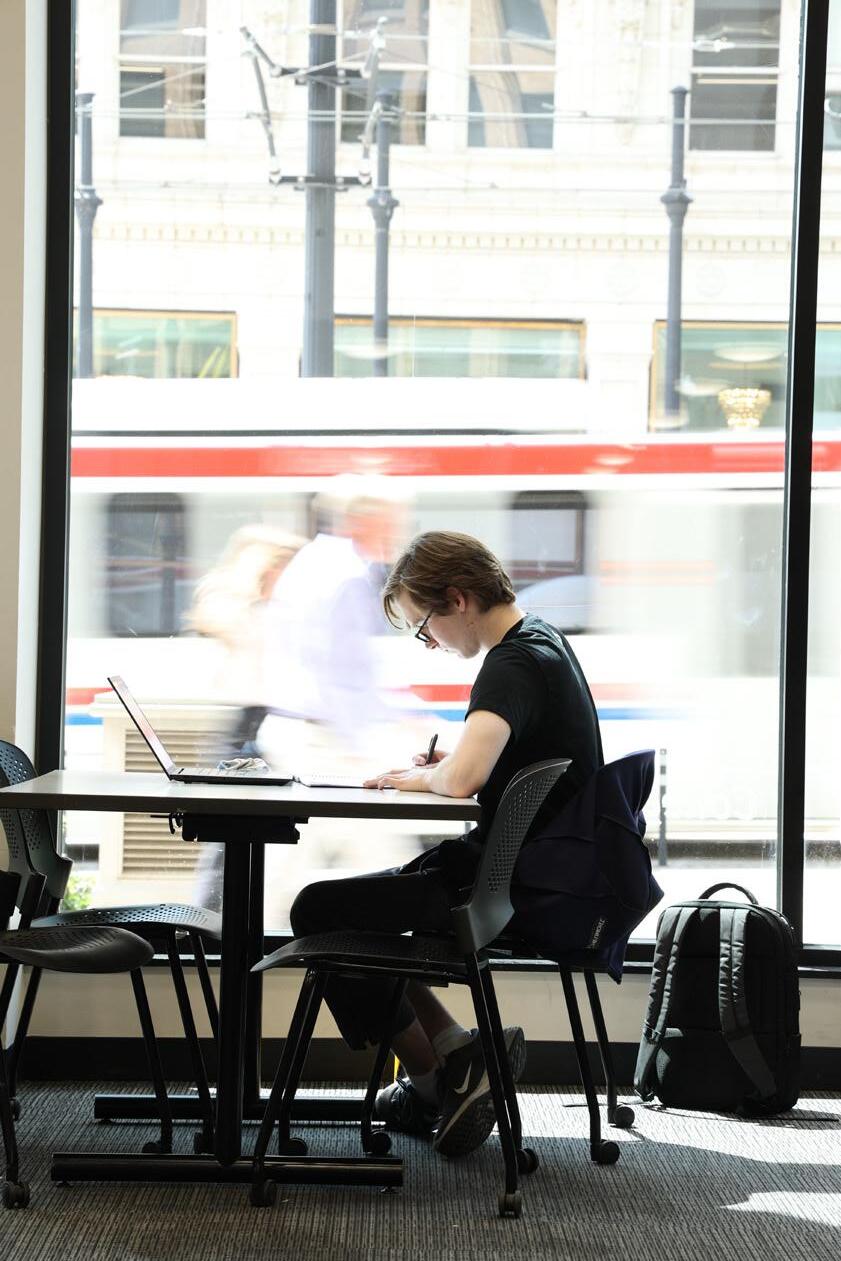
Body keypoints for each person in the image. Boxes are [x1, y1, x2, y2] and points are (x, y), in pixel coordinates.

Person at [289, 530, 604, 1158]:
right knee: (355, 912)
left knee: (319, 911)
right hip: (540, 874)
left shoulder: (510, 664)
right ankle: (458, 1052)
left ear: (458, 599)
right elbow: (497, 759)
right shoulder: (544, 642)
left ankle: (433, 1081)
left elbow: (463, 781)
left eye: (422, 625)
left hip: (504, 887)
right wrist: (449, 764)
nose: (427, 641)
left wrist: (422, 777)